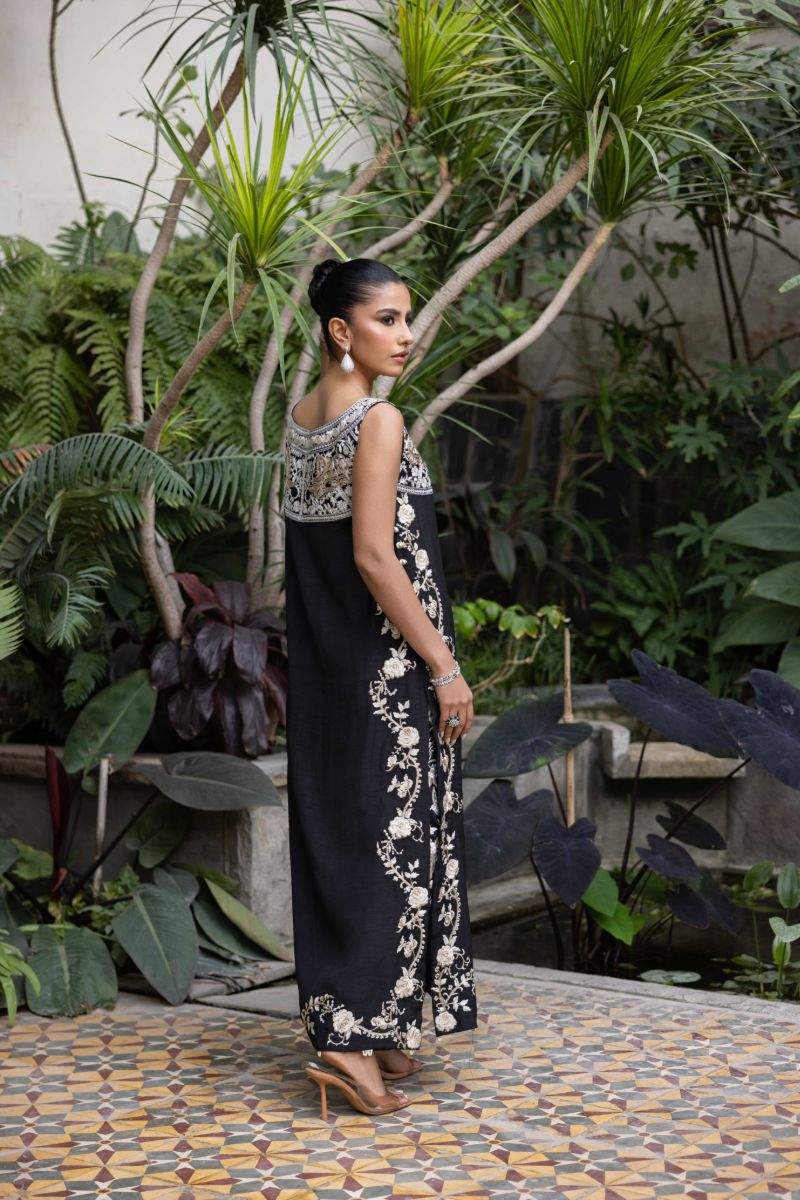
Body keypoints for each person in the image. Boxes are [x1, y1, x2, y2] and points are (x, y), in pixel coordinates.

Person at [282, 257, 479, 1118]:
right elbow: (373, 556)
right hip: (386, 669)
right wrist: (444, 666)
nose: (406, 335)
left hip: (329, 667)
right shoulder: (379, 419)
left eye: (406, 318)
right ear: (341, 330)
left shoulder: (302, 420)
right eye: (387, 319)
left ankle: (378, 1020)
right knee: (392, 843)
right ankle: (347, 1042)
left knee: (350, 837)